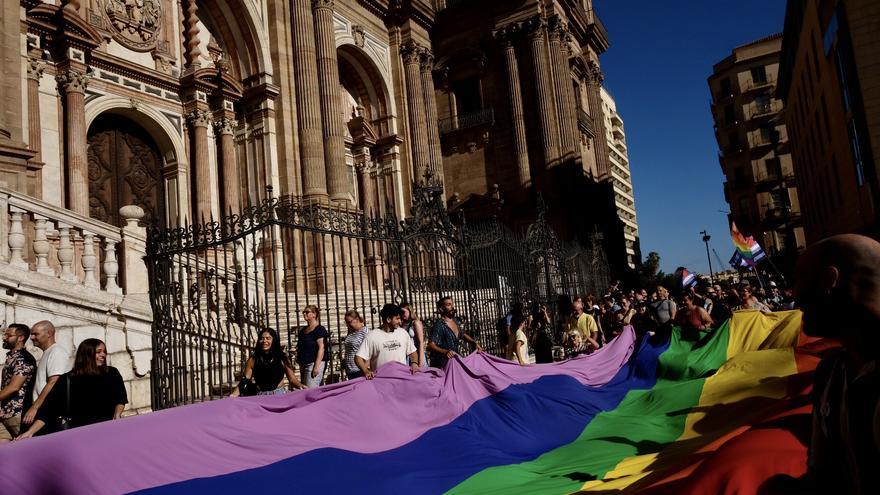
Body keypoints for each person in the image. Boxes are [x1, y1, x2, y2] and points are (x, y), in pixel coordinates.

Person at [793, 234, 880, 494]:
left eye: (799, 278)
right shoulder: (831, 374)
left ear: (829, 280)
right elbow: (822, 478)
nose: (794, 296)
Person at [16, 339, 126, 439]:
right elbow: (49, 409)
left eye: (104, 351)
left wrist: (117, 415)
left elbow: (120, 398)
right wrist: (30, 432)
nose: (103, 355)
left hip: (107, 431)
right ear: (87, 354)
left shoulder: (112, 373)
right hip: (79, 434)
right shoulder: (67, 379)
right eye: (98, 352)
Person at [23, 320, 71, 428]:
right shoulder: (48, 352)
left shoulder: (57, 352)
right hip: (42, 412)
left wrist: (35, 407)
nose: (31, 337)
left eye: (36, 334)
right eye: (32, 334)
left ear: (49, 334)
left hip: (47, 413)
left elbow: (54, 381)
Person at [231, 328, 305, 396]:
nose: (264, 341)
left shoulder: (282, 358)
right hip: (261, 396)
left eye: (268, 338)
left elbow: (292, 379)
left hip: (279, 395)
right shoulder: (253, 360)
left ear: (274, 340)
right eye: (262, 338)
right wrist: (234, 395)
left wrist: (300, 386)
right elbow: (245, 381)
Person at [355, 304, 418, 380]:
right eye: (397, 319)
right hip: (381, 382)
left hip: (402, 379)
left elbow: (413, 352)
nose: (400, 322)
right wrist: (366, 371)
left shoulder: (403, 333)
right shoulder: (372, 336)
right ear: (388, 319)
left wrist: (414, 363)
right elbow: (358, 358)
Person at [0, 324, 36, 442]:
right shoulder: (12, 357)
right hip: (5, 414)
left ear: (20, 338)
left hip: (18, 415)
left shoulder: (23, 358)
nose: (4, 338)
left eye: (8, 335)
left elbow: (14, 387)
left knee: (27, 451)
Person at [427, 296, 482, 369]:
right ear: (441, 309)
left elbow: (462, 334)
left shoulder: (455, 321)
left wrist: (474, 343)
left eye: (452, 304)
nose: (452, 307)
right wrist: (445, 352)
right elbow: (430, 346)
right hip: (442, 365)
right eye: (448, 305)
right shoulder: (439, 325)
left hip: (455, 363)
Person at [294, 305, 329, 388]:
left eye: (307, 312)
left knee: (310, 390)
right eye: (303, 312)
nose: (304, 314)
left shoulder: (319, 329)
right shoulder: (303, 330)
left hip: (313, 363)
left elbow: (321, 347)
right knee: (306, 388)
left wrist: (316, 367)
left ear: (314, 314)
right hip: (303, 363)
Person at [342, 310, 370, 379]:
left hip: (359, 370)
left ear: (357, 319)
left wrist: (364, 369)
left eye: (349, 322)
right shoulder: (351, 332)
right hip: (350, 370)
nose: (348, 325)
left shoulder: (365, 332)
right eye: (347, 323)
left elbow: (371, 351)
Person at [400, 302, 426, 369]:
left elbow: (421, 342)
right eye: (400, 312)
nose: (402, 314)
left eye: (403, 312)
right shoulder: (402, 324)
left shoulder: (415, 323)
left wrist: (421, 361)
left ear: (409, 310)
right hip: (406, 355)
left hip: (417, 354)